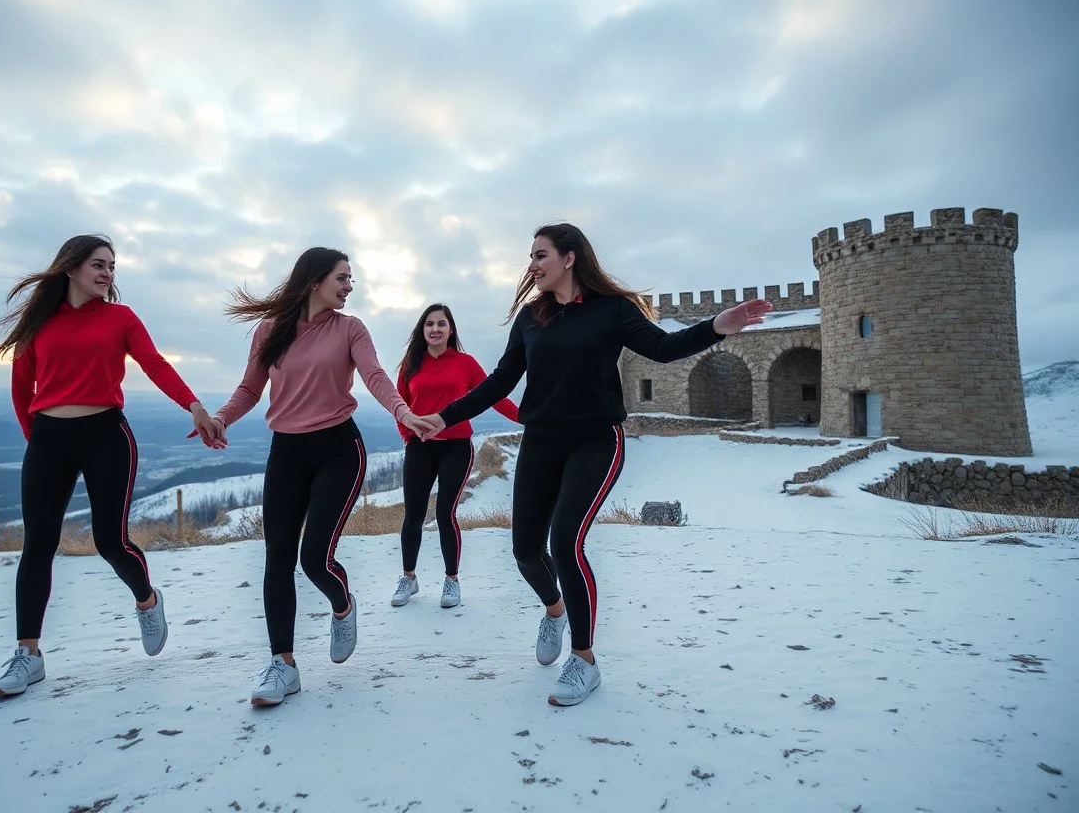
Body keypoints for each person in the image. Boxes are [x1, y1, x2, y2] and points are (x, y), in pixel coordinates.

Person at [416, 223, 771, 706]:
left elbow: (662, 349)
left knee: (565, 543)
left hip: (596, 441)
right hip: (541, 440)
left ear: (569, 258)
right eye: (531, 256)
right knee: (524, 551)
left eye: (540, 254)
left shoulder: (611, 310)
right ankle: (555, 610)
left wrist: (717, 327)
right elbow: (499, 382)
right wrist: (443, 417)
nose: (533, 264)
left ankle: (583, 661)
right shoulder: (531, 317)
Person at [0, 234, 221, 699]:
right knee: (38, 544)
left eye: (112, 267)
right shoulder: (40, 321)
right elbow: (22, 387)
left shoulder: (121, 318)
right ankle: (28, 654)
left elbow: (154, 364)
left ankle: (147, 599)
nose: (108, 273)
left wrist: (194, 406)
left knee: (110, 541)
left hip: (106, 437)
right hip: (49, 440)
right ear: (71, 267)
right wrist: (37, 440)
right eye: (99, 264)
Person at [204, 247, 434, 707]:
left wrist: (403, 412)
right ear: (314, 281)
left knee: (315, 558)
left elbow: (374, 376)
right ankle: (282, 665)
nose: (350, 286)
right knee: (277, 560)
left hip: (338, 450)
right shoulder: (270, 331)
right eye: (342, 278)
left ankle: (343, 605)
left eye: (351, 279)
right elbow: (251, 387)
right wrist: (222, 418)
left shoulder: (350, 328)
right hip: (285, 452)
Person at [391, 304, 519, 609]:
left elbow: (493, 395)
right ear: (422, 330)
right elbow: (399, 406)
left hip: (456, 447)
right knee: (413, 515)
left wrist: (525, 416)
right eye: (429, 324)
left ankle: (451, 580)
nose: (435, 329)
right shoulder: (410, 365)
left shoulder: (466, 363)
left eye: (441, 324)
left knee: (445, 514)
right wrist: (408, 436)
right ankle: (409, 577)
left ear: (451, 330)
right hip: (420, 447)